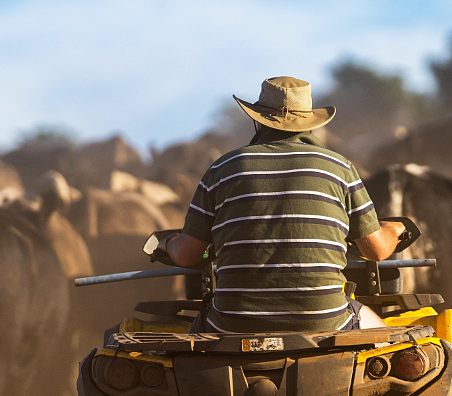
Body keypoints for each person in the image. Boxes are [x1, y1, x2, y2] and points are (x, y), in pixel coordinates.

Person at [161, 76, 405, 332]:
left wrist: (167, 243)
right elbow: (376, 251)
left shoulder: (223, 169)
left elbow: (189, 255)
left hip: (233, 324)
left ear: (258, 121)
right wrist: (394, 229)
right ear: (311, 124)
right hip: (326, 322)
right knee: (387, 336)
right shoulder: (339, 169)